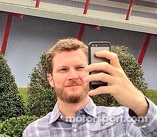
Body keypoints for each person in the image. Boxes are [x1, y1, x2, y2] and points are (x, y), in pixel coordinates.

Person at [23, 38, 157, 137]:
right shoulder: (34, 132)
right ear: (51, 80)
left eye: (80, 68)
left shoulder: (122, 120)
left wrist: (139, 102)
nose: (73, 76)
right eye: (63, 69)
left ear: (92, 71)